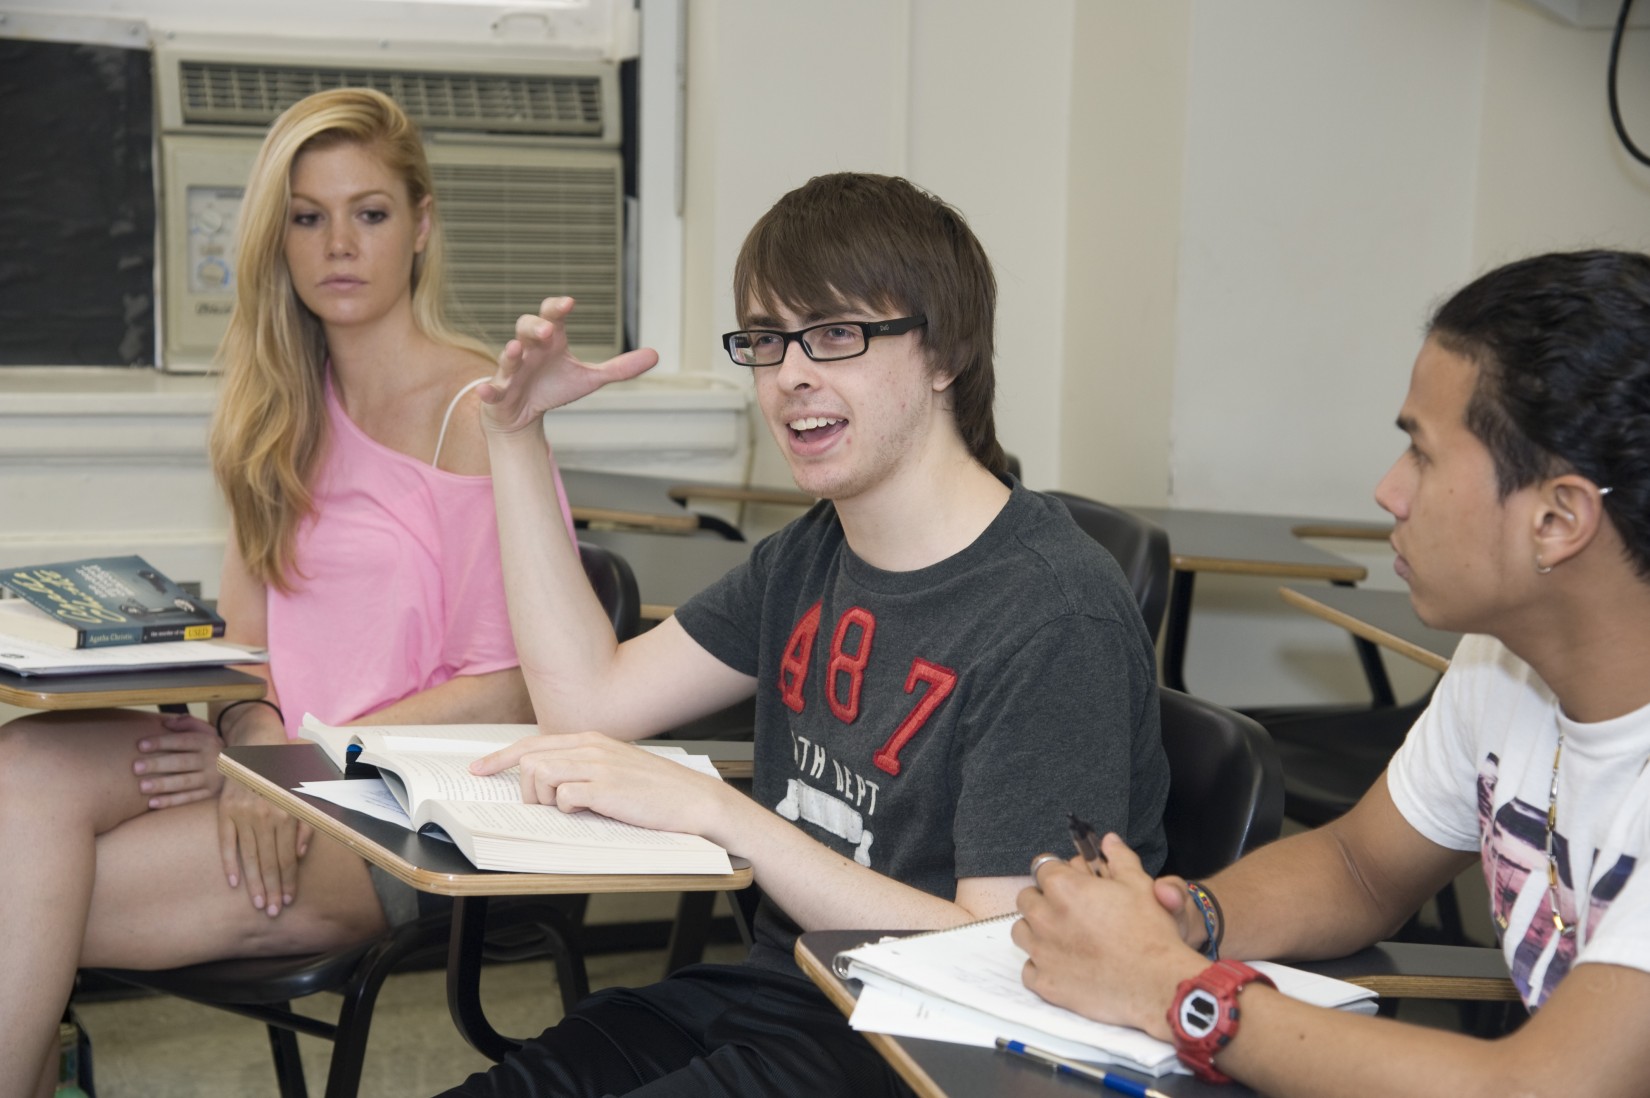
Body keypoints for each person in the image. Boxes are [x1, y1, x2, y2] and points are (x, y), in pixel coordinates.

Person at [431, 171, 1171, 1096]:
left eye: (836, 335)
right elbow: (586, 701)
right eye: (768, 340)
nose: (790, 376)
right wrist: (516, 437)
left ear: (945, 354)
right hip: (787, 993)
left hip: (923, 1046)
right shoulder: (810, 554)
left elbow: (1004, 953)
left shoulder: (1055, 616)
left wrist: (720, 813)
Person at [0, 87, 570, 1097]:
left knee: (17, 913)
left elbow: (514, 688)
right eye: (308, 217)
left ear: (421, 226)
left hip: (398, 805)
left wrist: (305, 764)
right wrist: (260, 751)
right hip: (269, 766)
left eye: (371, 212)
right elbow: (244, 651)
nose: (338, 243)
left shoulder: (481, 413)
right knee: (27, 765)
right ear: (280, 238)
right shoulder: (274, 414)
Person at [1012, 249, 1650, 1096]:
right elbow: (1360, 867)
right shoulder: (1503, 662)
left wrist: (1169, 989)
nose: (1390, 492)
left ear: (1559, 518)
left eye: (1422, 455)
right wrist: (1185, 922)